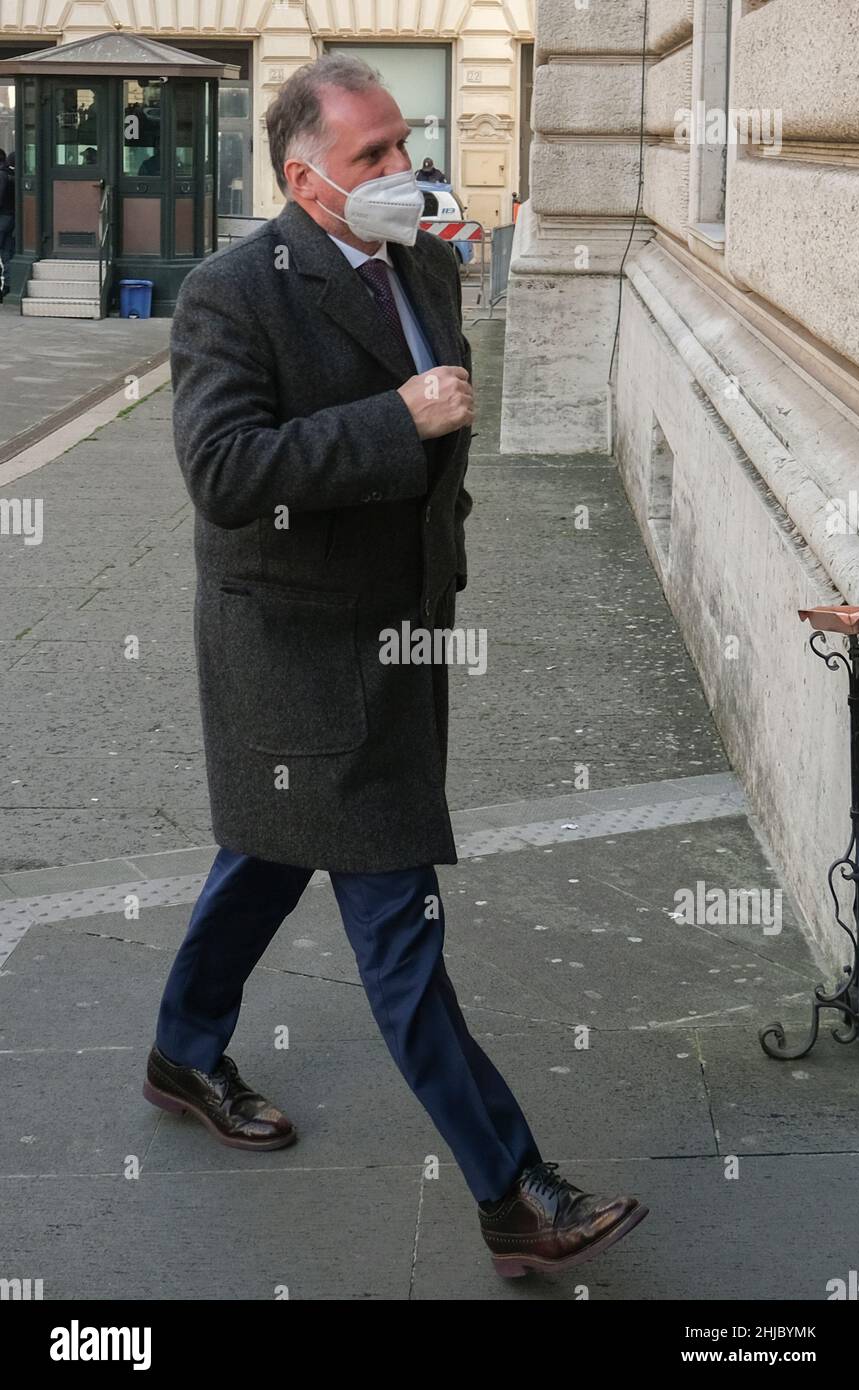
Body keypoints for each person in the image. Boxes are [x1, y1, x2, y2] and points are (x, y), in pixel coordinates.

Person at [144, 53, 648, 1279]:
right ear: (305, 180)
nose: (402, 170)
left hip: (399, 630)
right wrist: (396, 420)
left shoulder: (425, 260)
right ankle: (512, 1191)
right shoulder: (230, 293)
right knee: (395, 920)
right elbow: (224, 474)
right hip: (296, 653)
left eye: (403, 142)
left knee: (267, 850)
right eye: (371, 157)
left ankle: (179, 1051)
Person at [0, 150, 15, 292]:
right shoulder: (11, 175)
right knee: (6, 252)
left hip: (3, 217)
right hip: (10, 217)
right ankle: (8, 285)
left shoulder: (2, 175)